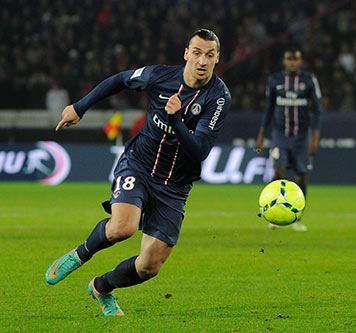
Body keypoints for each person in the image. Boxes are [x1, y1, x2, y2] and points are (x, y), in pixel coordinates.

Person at [45, 29, 231, 316]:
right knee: (123, 227)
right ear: (186, 54)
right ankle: (80, 254)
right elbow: (120, 79)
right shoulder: (158, 76)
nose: (202, 61)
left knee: (150, 266)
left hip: (175, 185)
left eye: (209, 55)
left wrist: (176, 120)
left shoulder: (218, 98)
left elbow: (200, 150)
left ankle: (102, 287)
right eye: (196, 52)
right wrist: (80, 107)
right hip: (140, 164)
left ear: (217, 58)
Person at [256, 47, 322, 232]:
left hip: (302, 138)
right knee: (279, 172)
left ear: (300, 62)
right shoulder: (274, 81)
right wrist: (261, 135)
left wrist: (315, 138)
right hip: (280, 136)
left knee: (302, 175)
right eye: (289, 59)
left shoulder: (308, 80)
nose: (292, 62)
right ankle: (275, 216)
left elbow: (317, 110)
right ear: (284, 61)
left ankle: (297, 217)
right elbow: (268, 109)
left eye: (296, 59)